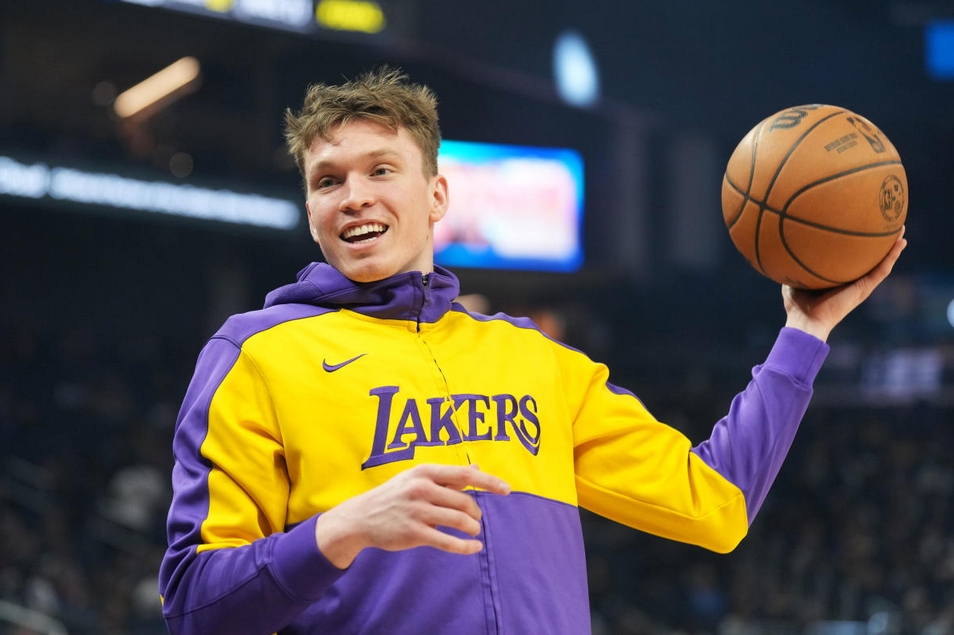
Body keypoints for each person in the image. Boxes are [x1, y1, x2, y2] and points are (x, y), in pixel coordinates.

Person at [158, 67, 906, 635]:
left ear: (437, 196)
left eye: (381, 169)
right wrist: (342, 528)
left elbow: (718, 503)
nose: (353, 195)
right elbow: (193, 605)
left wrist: (805, 332)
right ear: (313, 211)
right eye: (329, 181)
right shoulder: (255, 355)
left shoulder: (535, 359)